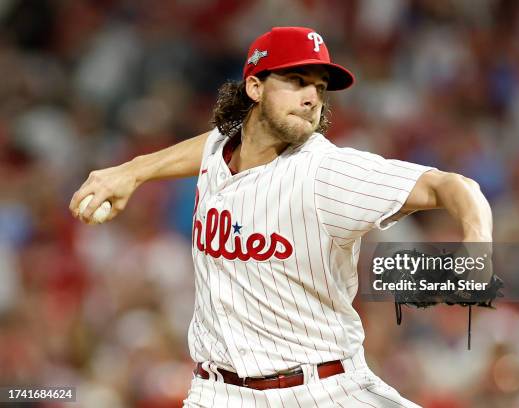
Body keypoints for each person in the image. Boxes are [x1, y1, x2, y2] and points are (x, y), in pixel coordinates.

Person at [70, 26, 492, 408]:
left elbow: (454, 187)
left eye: (320, 87)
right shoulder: (222, 149)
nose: (312, 97)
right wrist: (131, 171)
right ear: (255, 87)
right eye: (296, 81)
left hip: (322, 390)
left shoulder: (326, 172)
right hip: (217, 393)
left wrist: (477, 246)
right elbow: (214, 144)